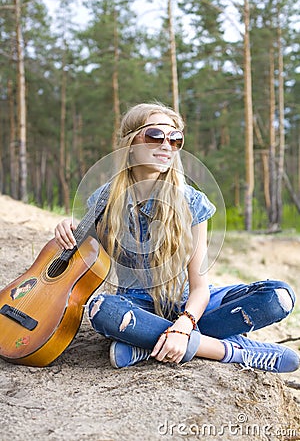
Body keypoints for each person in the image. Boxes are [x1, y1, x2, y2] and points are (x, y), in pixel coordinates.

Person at [54, 102, 299, 373]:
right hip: (136, 304)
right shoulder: (104, 200)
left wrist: (184, 326)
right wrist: (69, 229)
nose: (166, 145)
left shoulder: (192, 203)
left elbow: (199, 287)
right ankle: (233, 351)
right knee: (103, 309)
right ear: (130, 142)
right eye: (155, 135)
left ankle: (144, 342)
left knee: (279, 295)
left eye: (175, 139)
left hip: (188, 301)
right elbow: (82, 258)